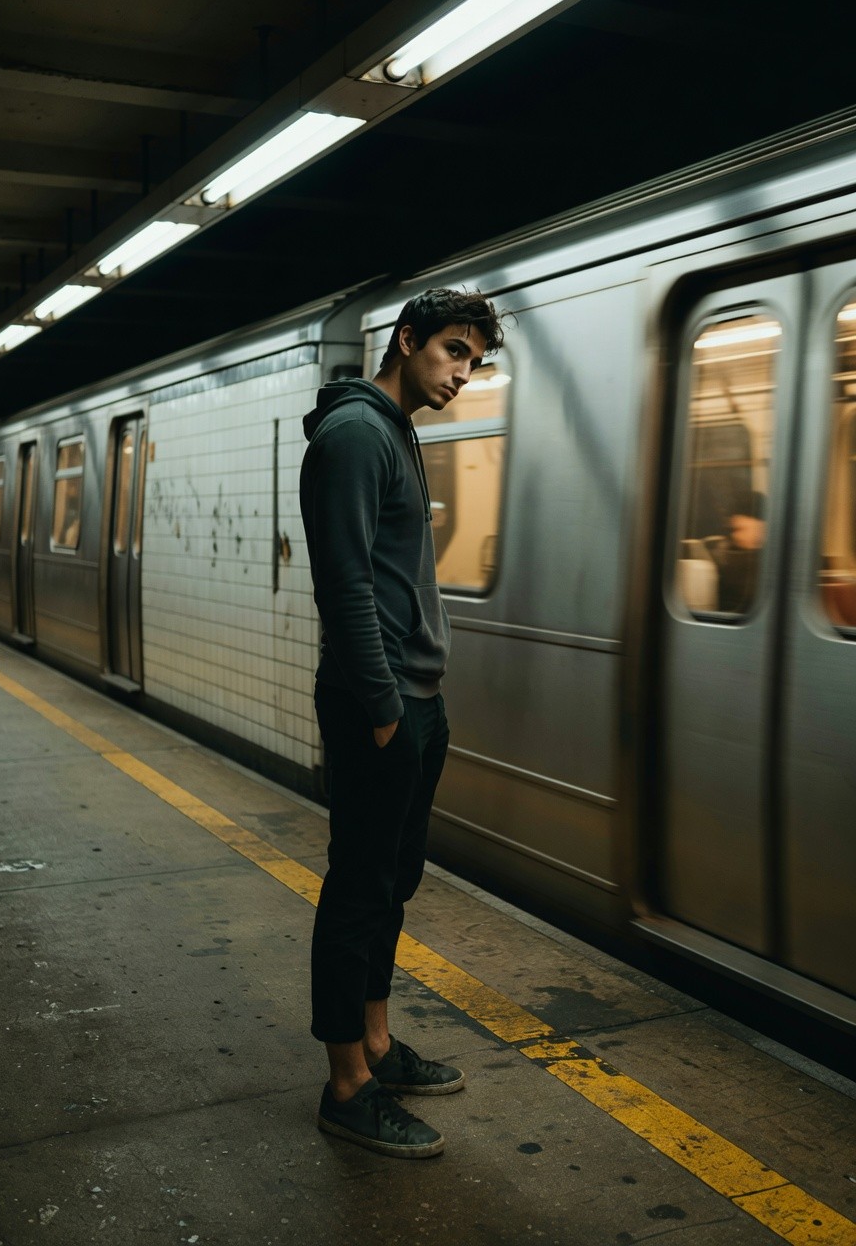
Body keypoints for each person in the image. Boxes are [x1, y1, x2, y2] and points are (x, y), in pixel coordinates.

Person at [299, 288, 506, 1158]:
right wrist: (384, 710)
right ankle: (346, 1083)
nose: (463, 373)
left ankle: (377, 1044)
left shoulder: (398, 431)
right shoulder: (353, 436)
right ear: (407, 340)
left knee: (392, 883)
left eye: (475, 361)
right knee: (357, 889)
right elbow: (344, 584)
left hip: (415, 702)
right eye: (453, 352)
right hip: (377, 707)